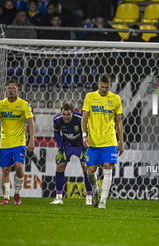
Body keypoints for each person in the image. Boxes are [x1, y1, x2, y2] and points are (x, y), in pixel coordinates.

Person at [0, 79, 35, 205]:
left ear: (18, 90)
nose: (11, 90)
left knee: (19, 167)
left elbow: (31, 122)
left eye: (14, 88)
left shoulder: (24, 104)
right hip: (5, 142)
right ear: (5, 90)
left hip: (19, 141)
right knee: (6, 170)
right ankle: (6, 197)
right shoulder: (0, 104)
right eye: (9, 88)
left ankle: (17, 194)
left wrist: (31, 140)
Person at [81, 73, 124, 209]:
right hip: (93, 141)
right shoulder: (90, 97)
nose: (104, 90)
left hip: (109, 140)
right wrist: (84, 135)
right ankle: (95, 189)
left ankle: (103, 201)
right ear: (98, 84)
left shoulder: (116, 99)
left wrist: (121, 141)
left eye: (106, 87)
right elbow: (84, 118)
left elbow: (119, 121)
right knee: (90, 171)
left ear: (110, 85)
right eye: (102, 87)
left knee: (108, 167)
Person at [51, 102, 93, 205]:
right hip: (67, 145)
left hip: (80, 145)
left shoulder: (80, 118)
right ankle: (58, 197)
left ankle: (89, 197)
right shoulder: (57, 120)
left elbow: (88, 132)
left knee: (86, 168)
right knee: (60, 166)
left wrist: (85, 145)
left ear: (73, 113)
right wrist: (60, 147)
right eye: (64, 114)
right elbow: (56, 133)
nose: (65, 117)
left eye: (68, 114)